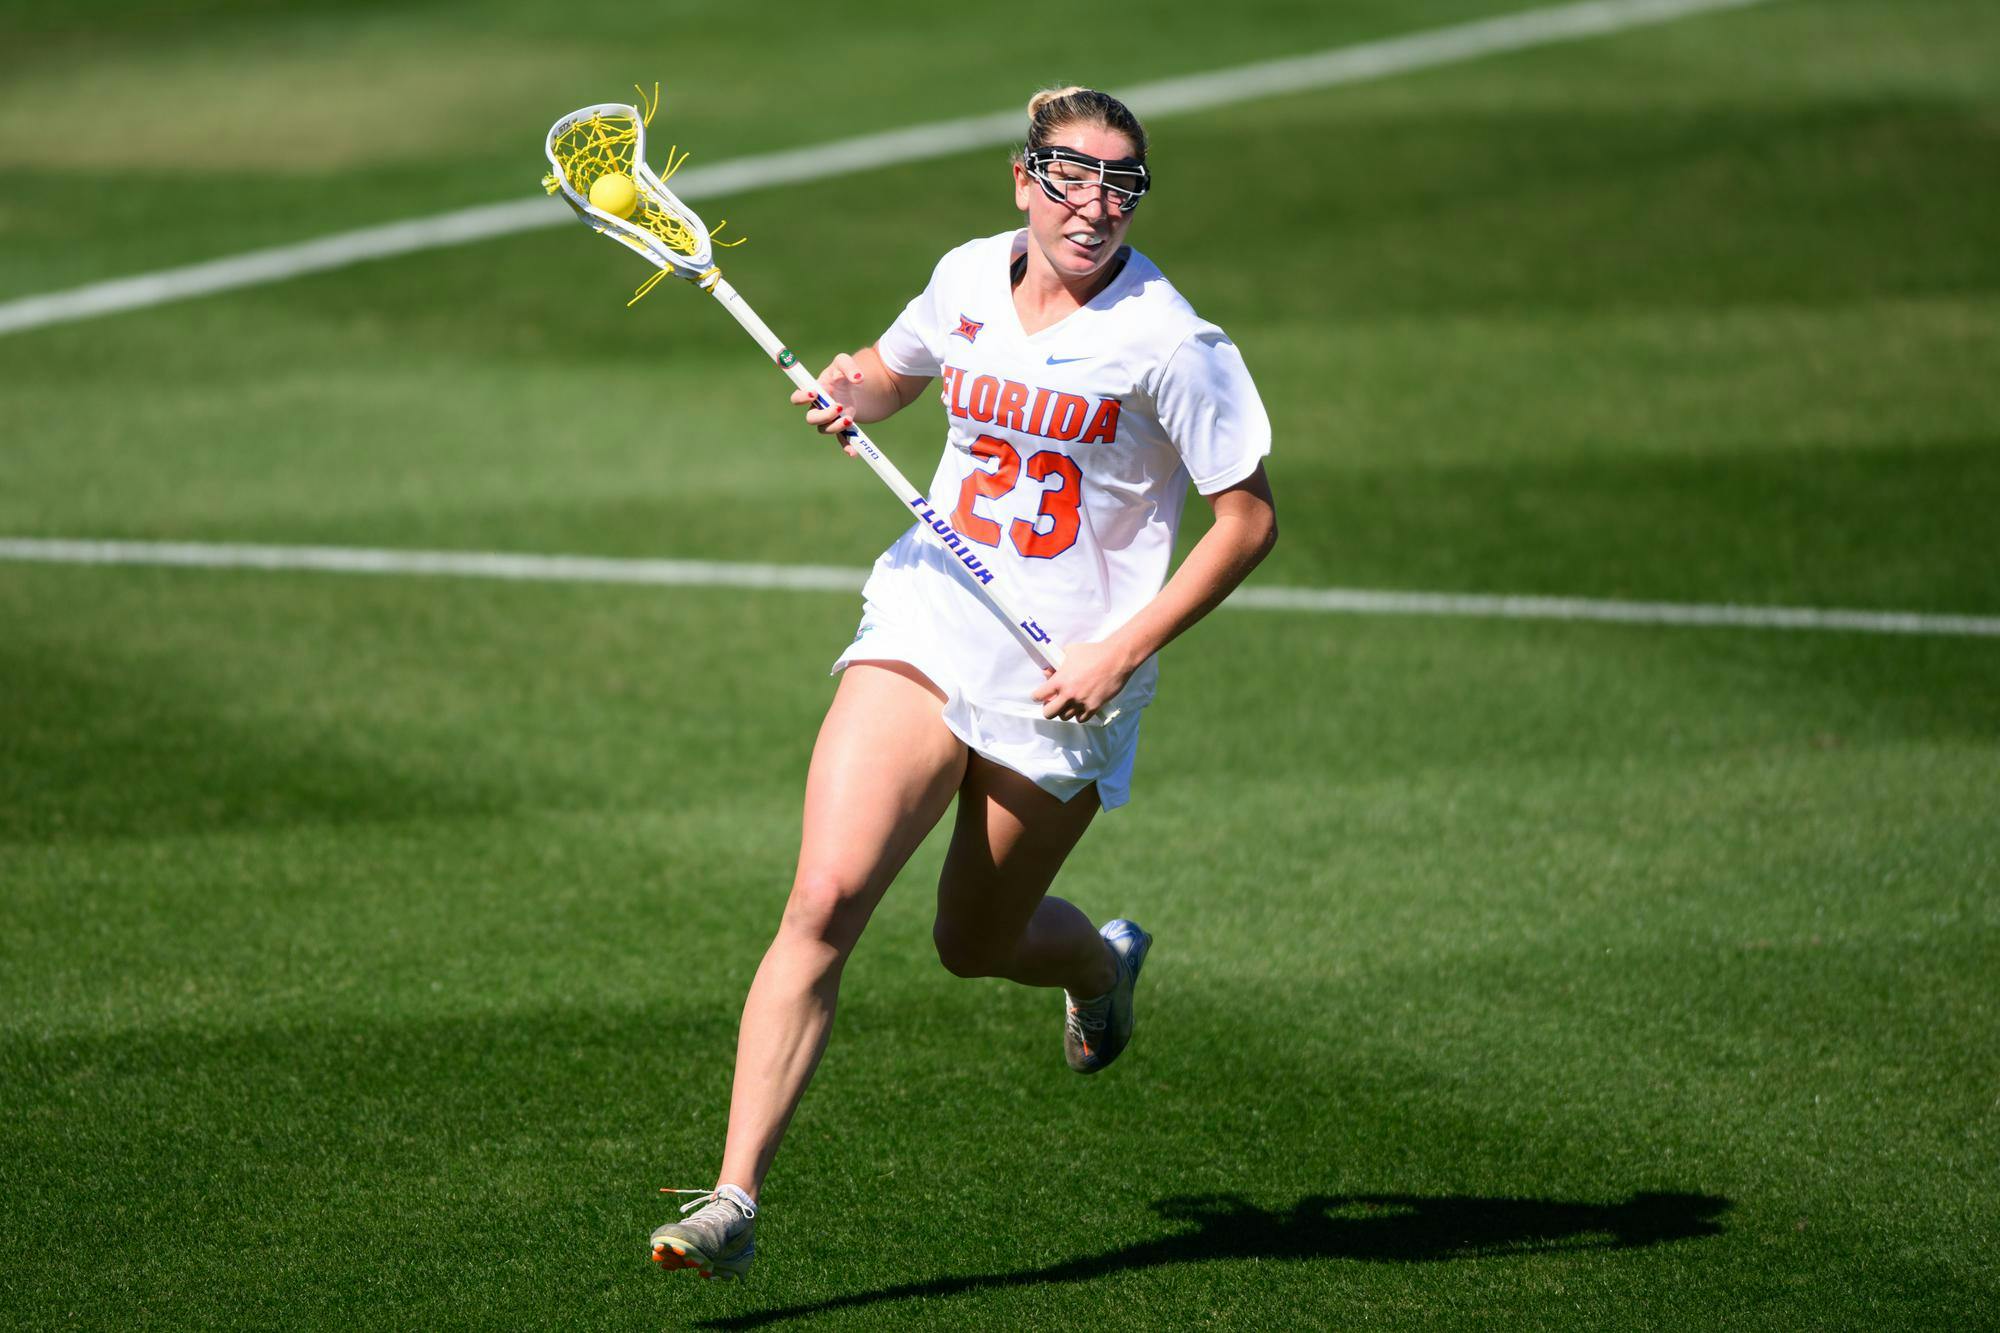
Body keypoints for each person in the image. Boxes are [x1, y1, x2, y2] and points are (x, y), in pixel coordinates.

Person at [650, 85, 1278, 1280]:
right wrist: (848, 390)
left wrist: (1121, 648)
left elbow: (1245, 524)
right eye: (1069, 174)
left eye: (1119, 182)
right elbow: (892, 373)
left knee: (971, 940)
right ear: (1021, 178)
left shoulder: (1172, 344)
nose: (1092, 203)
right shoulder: (965, 277)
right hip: (931, 614)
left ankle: (1097, 965)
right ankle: (732, 1198)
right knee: (826, 895)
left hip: (1063, 677)